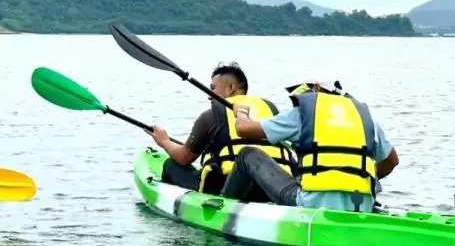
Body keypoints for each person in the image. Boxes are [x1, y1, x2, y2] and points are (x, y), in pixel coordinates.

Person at [228, 81, 400, 212]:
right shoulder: (365, 119)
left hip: (311, 205)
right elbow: (392, 161)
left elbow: (243, 129)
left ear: (317, 88)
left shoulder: (303, 114)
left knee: (247, 154)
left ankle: (224, 206)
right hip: (361, 205)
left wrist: (241, 111)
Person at [149, 62, 296, 197]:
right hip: (270, 188)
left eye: (212, 88)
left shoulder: (210, 116)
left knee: (172, 165)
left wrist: (164, 141)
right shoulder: (271, 110)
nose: (209, 95)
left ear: (231, 88)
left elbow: (183, 157)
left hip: (225, 188)